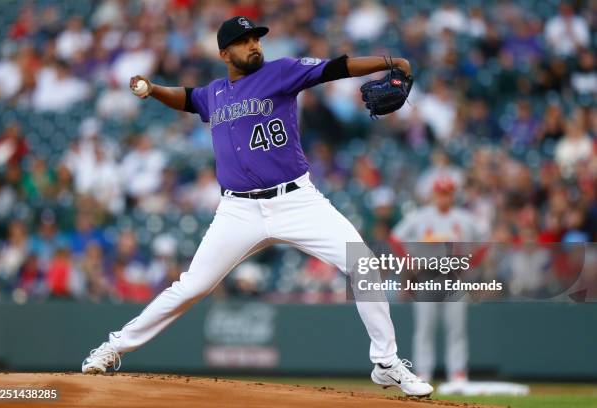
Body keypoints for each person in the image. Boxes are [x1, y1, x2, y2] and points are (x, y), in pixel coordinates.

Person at [81, 16, 432, 397]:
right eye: (244, 41)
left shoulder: (282, 72)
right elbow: (186, 97)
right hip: (238, 211)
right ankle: (114, 346)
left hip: (296, 200)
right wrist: (152, 89)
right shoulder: (213, 94)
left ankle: (386, 363)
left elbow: (337, 67)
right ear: (224, 52)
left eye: (256, 39)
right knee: (192, 286)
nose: (254, 45)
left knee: (362, 263)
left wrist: (388, 62)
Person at [391, 177, 487, 384]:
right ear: (434, 194)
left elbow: (484, 240)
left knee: (456, 328)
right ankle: (423, 372)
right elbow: (395, 238)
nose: (444, 197)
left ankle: (458, 372)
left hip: (454, 276)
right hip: (427, 275)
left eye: (448, 192)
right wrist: (409, 261)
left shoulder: (463, 218)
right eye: (441, 192)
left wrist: (472, 263)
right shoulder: (420, 216)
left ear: (453, 194)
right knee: (425, 327)